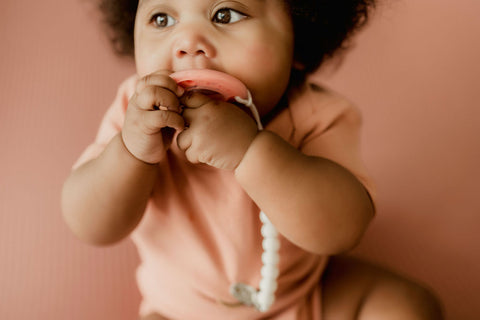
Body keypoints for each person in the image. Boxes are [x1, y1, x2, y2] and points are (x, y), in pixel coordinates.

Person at [61, 0, 443, 319]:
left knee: (408, 307)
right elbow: (91, 225)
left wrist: (250, 150)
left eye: (225, 14)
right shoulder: (137, 112)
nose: (187, 42)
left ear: (299, 40)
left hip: (301, 296)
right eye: (162, 18)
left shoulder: (317, 115)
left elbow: (342, 231)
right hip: (179, 309)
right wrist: (130, 153)